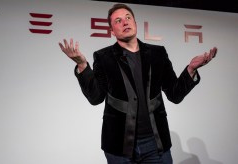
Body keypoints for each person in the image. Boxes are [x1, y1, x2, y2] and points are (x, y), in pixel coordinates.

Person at [59, 3, 217, 164]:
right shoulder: (103, 57)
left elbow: (175, 94)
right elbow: (96, 98)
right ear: (112, 31)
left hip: (156, 145)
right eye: (118, 20)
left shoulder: (158, 53)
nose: (125, 22)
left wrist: (190, 69)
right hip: (119, 147)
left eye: (128, 18)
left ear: (135, 23)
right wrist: (82, 66)